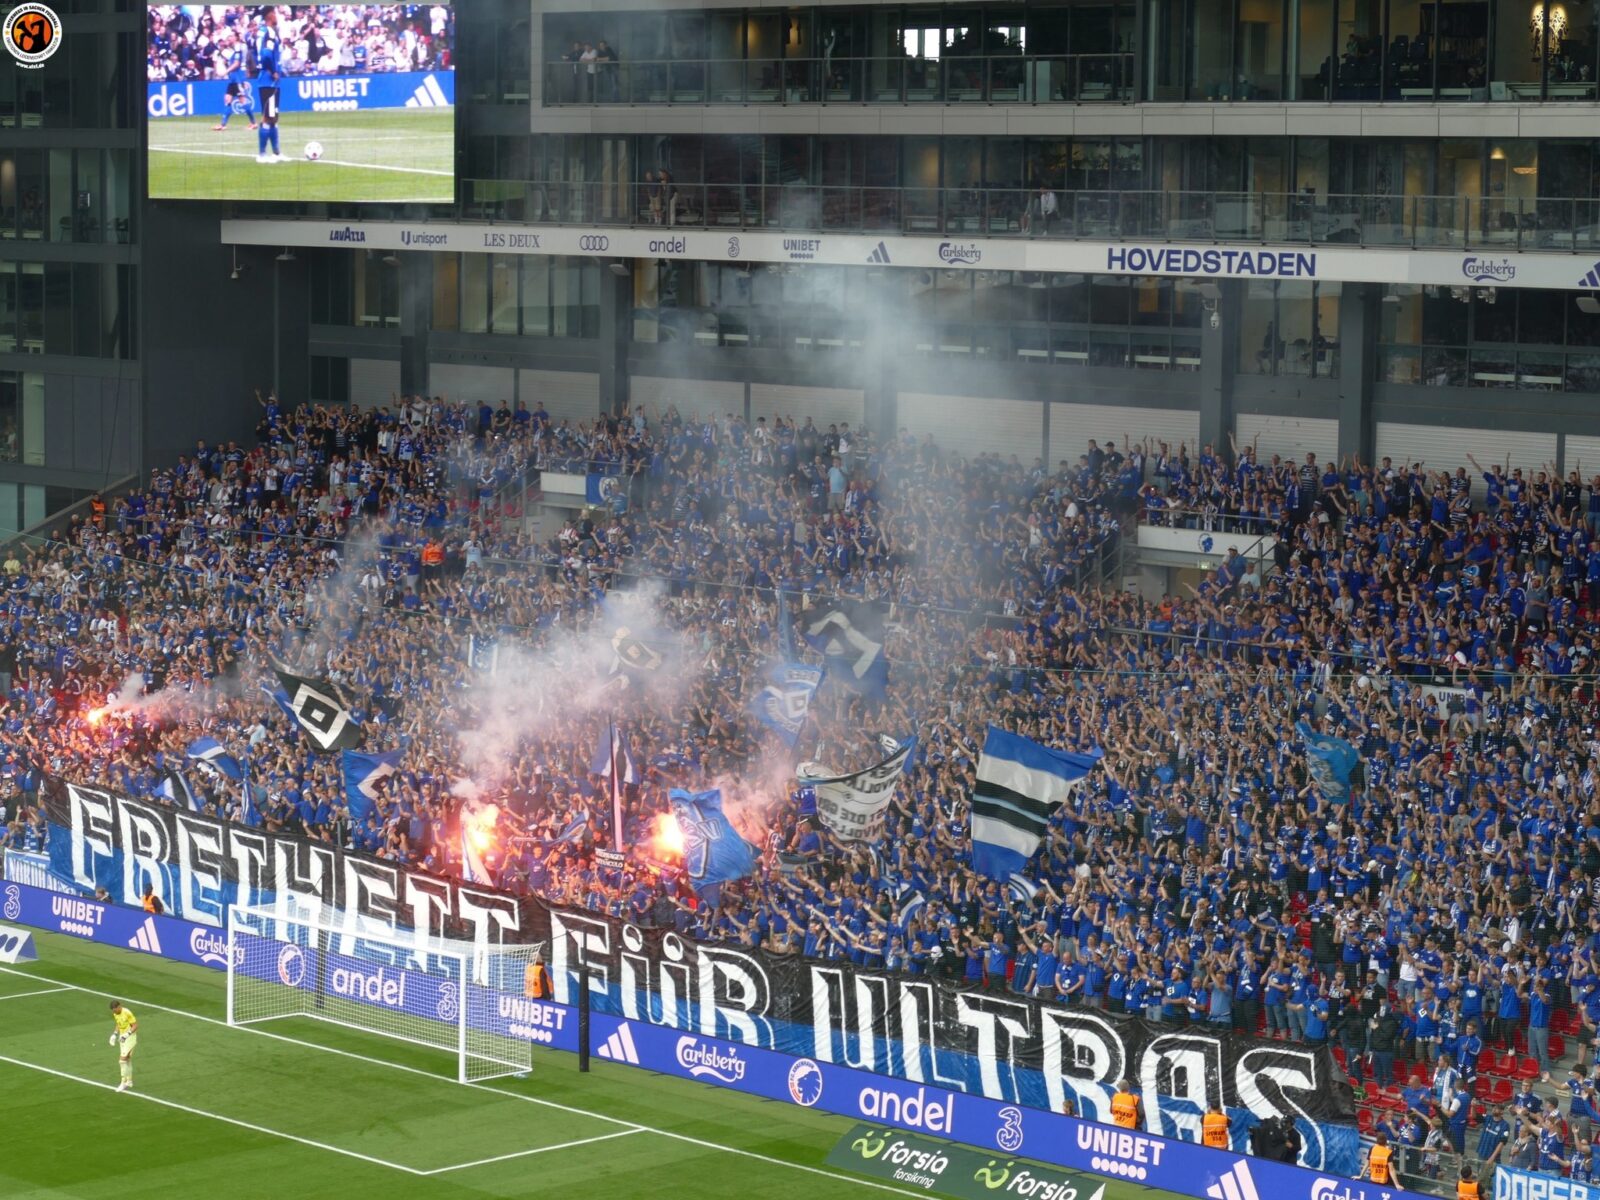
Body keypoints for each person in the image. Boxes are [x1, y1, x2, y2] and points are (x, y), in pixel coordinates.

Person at [254, 7, 284, 164]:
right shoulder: (270, 32)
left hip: (268, 80)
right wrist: (273, 71)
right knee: (267, 117)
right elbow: (266, 55)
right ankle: (262, 154)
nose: (277, 15)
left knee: (273, 117)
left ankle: (277, 153)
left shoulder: (263, 31)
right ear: (270, 15)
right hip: (268, 80)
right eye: (275, 12)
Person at [108, 1000, 138, 1092]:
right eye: (113, 1011)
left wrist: (127, 1034)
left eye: (115, 1010)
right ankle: (129, 1081)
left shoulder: (127, 1012)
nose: (114, 1012)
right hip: (122, 1038)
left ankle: (123, 1083)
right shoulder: (115, 1014)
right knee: (127, 1060)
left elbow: (135, 1025)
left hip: (130, 1038)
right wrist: (114, 1034)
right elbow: (118, 1023)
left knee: (122, 1060)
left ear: (119, 1006)